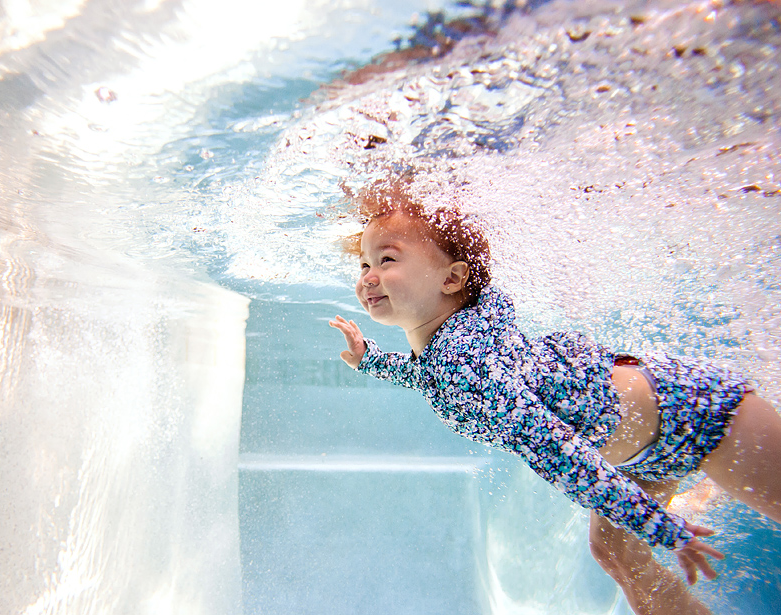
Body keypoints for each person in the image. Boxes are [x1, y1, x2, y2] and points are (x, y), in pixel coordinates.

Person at [328, 177, 781, 615]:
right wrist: (369, 359)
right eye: (364, 264)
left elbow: (561, 455)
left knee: (625, 547)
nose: (368, 277)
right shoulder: (448, 345)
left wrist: (661, 529)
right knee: (616, 555)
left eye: (386, 260)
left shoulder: (465, 363)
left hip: (699, 414)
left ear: (452, 278)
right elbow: (427, 376)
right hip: (642, 455)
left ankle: (695, 492)